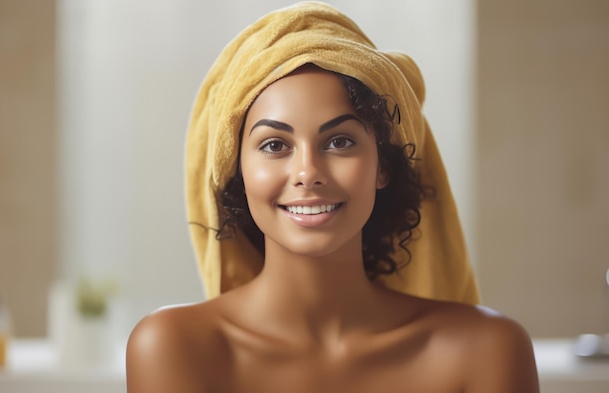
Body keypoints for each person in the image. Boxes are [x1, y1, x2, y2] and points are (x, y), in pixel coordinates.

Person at [126, 2, 539, 392]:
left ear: (383, 167)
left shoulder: (487, 350)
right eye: (274, 145)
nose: (308, 173)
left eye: (340, 141)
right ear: (239, 170)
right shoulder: (173, 348)